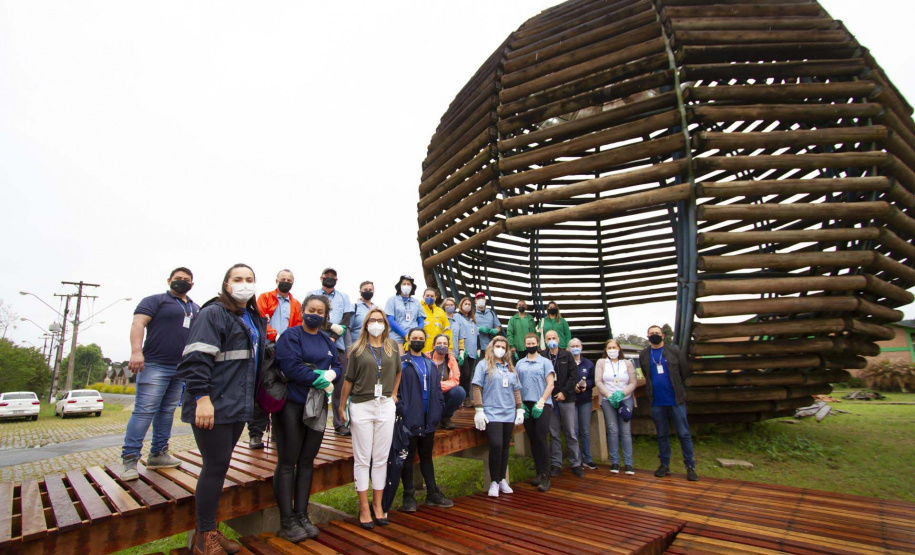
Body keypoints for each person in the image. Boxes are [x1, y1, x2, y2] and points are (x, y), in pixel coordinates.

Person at [178, 264, 266, 555]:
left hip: (237, 405)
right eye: (237, 279)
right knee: (214, 467)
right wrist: (202, 398)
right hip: (212, 405)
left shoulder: (251, 317)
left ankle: (208, 531)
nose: (244, 284)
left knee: (220, 466)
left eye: (249, 279)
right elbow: (196, 358)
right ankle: (204, 539)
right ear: (226, 285)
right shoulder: (213, 313)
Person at [119, 267, 200, 481]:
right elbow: (138, 324)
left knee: (166, 411)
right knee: (144, 411)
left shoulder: (195, 308)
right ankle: (129, 459)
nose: (181, 282)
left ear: (192, 284)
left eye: (186, 280)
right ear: (169, 280)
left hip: (181, 367)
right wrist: (136, 351)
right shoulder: (154, 301)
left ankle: (158, 453)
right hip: (155, 364)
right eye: (177, 279)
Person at [274, 294, 343, 542]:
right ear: (303, 310)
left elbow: (337, 364)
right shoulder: (291, 336)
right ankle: (286, 519)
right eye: (311, 309)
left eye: (321, 312)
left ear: (325, 316)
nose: (315, 314)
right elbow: (290, 367)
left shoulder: (327, 339)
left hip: (317, 406)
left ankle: (302, 513)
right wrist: (317, 377)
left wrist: (332, 375)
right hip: (292, 404)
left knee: (306, 461)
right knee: (287, 460)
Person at [338, 307, 401, 529]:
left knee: (381, 458)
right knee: (363, 458)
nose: (376, 323)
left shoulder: (393, 346)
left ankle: (378, 505)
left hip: (384, 405)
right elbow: (348, 379)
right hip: (362, 405)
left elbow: (398, 371)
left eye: (380, 320)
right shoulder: (357, 349)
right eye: (372, 320)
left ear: (385, 323)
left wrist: (393, 394)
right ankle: (364, 507)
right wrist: (341, 406)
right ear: (366, 324)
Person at [399, 328, 453, 512]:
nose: (417, 341)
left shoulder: (430, 364)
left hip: (428, 417)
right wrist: (402, 410)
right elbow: (395, 389)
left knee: (426, 457)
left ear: (425, 341)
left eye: (420, 338)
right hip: (409, 417)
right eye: (414, 338)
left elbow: (438, 390)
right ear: (408, 340)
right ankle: (408, 496)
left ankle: (432, 493)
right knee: (407, 458)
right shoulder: (402, 363)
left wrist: (438, 411)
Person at [249, 269, 302, 450]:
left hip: (286, 351)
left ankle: (278, 433)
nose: (286, 282)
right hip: (267, 349)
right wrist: (275, 335)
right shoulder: (265, 298)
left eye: (289, 280)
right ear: (276, 280)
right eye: (283, 279)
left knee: (283, 392)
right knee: (263, 390)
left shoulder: (296, 303)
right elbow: (260, 320)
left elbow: (298, 326)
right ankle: (255, 434)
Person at [639, 325, 698, 481]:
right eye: (651, 333)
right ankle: (664, 464)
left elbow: (684, 372)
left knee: (684, 434)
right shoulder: (644, 354)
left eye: (657, 333)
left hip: (675, 400)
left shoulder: (674, 352)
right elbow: (647, 374)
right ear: (647, 336)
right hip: (657, 401)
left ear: (663, 335)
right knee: (662, 434)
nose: (654, 336)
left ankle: (690, 466)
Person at [472, 336, 523, 498]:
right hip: (492, 412)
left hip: (508, 412)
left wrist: (520, 409)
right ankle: (494, 480)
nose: (500, 349)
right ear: (492, 347)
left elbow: (516, 390)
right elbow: (476, 387)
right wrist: (479, 409)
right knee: (496, 444)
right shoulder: (483, 365)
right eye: (497, 346)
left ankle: (502, 479)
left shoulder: (510, 367)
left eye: (503, 346)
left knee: (506, 446)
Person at [308, 267, 353, 437]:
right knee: (315, 382)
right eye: (327, 275)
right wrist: (328, 327)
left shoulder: (343, 297)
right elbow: (311, 315)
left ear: (337, 279)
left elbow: (347, 319)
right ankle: (311, 422)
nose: (329, 278)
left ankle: (340, 424)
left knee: (340, 386)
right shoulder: (312, 294)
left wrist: (333, 336)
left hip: (338, 346)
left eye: (333, 276)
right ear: (321, 278)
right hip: (315, 343)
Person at [515, 333, 554, 492]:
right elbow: (516, 384)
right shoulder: (520, 363)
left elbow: (550, 384)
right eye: (528, 343)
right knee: (532, 438)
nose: (531, 345)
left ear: (538, 344)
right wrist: (520, 404)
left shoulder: (545, 362)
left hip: (542, 403)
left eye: (533, 342)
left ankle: (546, 475)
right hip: (526, 404)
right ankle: (538, 472)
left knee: (541, 436)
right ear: (525, 345)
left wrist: (541, 402)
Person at [543, 330, 583, 478]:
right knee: (553, 433)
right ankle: (556, 464)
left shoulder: (567, 356)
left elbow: (574, 376)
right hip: (550, 398)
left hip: (567, 398)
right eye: (549, 338)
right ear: (545, 341)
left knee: (571, 432)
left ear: (558, 339)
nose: (551, 340)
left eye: (554, 338)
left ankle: (576, 463)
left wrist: (564, 393)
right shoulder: (543, 356)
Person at [596, 339, 638, 475]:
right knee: (613, 429)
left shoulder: (627, 363)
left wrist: (623, 393)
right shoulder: (601, 363)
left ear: (619, 349)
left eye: (614, 347)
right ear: (606, 350)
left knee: (625, 430)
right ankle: (614, 461)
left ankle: (628, 463)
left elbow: (633, 382)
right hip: (608, 400)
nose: (612, 350)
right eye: (609, 348)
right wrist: (608, 394)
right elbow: (598, 381)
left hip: (625, 399)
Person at [569, 337, 597, 470]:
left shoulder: (589, 364)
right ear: (569, 348)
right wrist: (572, 386)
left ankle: (588, 458)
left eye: (577, 345)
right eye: (572, 346)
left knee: (585, 430)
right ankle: (576, 459)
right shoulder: (566, 363)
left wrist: (587, 384)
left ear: (581, 348)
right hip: (571, 401)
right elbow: (562, 379)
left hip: (585, 400)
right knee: (574, 430)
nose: (575, 348)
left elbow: (594, 379)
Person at [429, 333, 465, 429]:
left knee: (459, 391)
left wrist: (439, 385)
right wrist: (436, 386)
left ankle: (444, 417)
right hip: (430, 392)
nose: (442, 345)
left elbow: (455, 380)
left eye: (445, 343)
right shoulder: (426, 358)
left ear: (448, 346)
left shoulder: (451, 359)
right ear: (433, 345)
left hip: (444, 392)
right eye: (439, 343)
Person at [453, 296, 479, 408]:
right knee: (464, 374)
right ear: (461, 305)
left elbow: (476, 335)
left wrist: (478, 347)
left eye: (469, 304)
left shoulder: (473, 320)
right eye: (465, 303)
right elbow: (457, 332)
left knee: (469, 376)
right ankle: (461, 397)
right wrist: (461, 349)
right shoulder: (457, 316)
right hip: (463, 351)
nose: (467, 305)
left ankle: (467, 398)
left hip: (472, 351)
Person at [385, 275, 424, 347]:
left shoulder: (416, 302)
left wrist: (416, 335)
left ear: (412, 287)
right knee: (400, 357)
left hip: (414, 339)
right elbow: (390, 321)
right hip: (396, 338)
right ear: (399, 286)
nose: (406, 286)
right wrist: (406, 335)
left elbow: (421, 322)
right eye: (404, 284)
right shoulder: (392, 300)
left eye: (408, 284)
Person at [420, 287, 452, 353]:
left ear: (435, 297)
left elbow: (447, 330)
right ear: (423, 296)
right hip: (421, 349)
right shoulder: (418, 309)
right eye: (427, 296)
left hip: (437, 350)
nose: (430, 297)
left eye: (432, 296)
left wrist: (449, 348)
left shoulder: (440, 311)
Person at [349, 281, 377, 345]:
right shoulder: (354, 307)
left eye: (370, 289)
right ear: (360, 291)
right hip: (357, 344)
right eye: (365, 289)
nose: (368, 291)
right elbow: (348, 328)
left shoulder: (376, 308)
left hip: (373, 345)